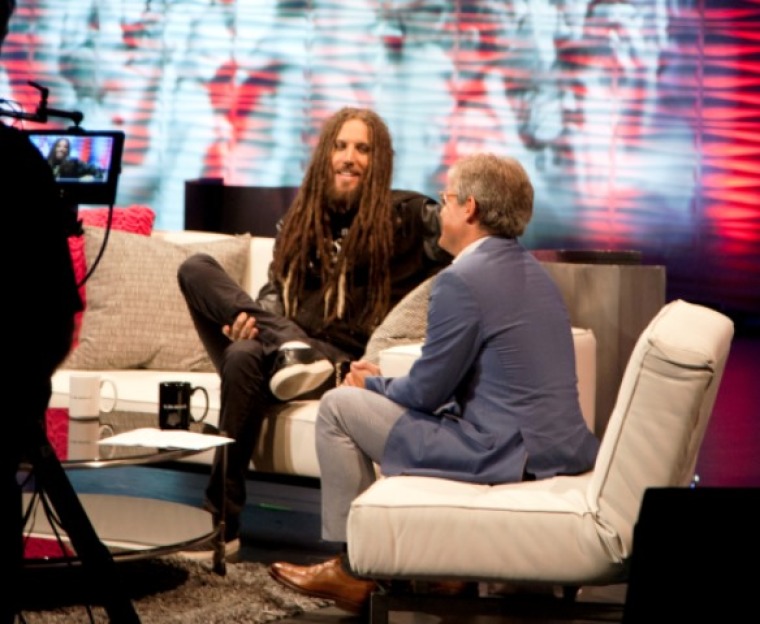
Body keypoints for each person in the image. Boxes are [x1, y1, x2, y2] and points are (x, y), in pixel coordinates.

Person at [267, 152, 602, 613]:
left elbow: (427, 392)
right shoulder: (535, 274)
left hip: (501, 449)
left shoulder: (461, 280)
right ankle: (444, 569)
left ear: (470, 208)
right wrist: (387, 382)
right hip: (557, 448)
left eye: (445, 200)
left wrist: (373, 386)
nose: (438, 214)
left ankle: (354, 569)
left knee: (339, 407)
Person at [176, 106, 452, 558]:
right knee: (195, 270)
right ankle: (287, 343)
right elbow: (271, 295)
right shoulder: (299, 222)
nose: (350, 157)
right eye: (341, 146)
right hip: (283, 355)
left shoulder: (409, 217)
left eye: (363, 149)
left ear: (378, 160)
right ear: (325, 155)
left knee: (244, 359)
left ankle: (221, 523)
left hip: (339, 365)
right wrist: (249, 323)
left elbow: (469, 241)